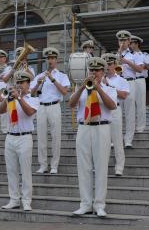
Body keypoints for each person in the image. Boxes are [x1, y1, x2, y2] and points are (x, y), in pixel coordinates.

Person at [68, 57, 117, 217]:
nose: (94, 73)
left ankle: (99, 205)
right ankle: (85, 203)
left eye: (97, 70)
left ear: (103, 73)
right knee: (84, 168)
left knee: (101, 167)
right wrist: (82, 87)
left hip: (101, 128)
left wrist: (98, 89)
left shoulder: (109, 88)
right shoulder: (81, 87)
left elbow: (112, 105)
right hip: (84, 128)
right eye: (91, 70)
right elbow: (71, 104)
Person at [0, 71, 39, 211]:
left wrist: (20, 98)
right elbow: (1, 110)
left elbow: (29, 112)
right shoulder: (11, 98)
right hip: (10, 136)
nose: (20, 85)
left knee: (25, 171)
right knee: (11, 171)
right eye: (18, 83)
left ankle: (26, 200)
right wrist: (8, 98)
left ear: (28, 84)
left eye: (22, 82)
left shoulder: (33, 99)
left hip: (25, 137)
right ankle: (14, 199)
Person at [31, 47, 70, 175]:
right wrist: (37, 84)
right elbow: (32, 94)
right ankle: (43, 165)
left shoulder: (62, 75)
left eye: (52, 58)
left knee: (55, 136)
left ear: (56, 60)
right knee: (41, 137)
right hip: (41, 107)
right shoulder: (40, 75)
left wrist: (53, 79)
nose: (50, 61)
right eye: (48, 58)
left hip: (54, 106)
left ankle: (54, 165)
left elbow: (64, 92)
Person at [102, 53, 130, 176]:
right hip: (102, 109)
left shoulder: (121, 80)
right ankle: (101, 166)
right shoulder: (98, 79)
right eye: (106, 64)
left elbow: (124, 95)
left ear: (115, 65)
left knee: (117, 139)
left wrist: (108, 85)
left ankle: (119, 167)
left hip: (115, 110)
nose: (107, 66)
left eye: (110, 64)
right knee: (102, 140)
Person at [117, 30, 144, 148]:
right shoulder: (114, 55)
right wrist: (118, 55)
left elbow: (140, 69)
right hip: (117, 83)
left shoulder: (135, 55)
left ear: (129, 41)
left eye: (124, 40)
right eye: (120, 40)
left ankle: (128, 140)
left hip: (129, 83)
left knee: (130, 113)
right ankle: (115, 139)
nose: (122, 42)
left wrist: (127, 61)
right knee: (116, 113)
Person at [131, 35, 149, 133]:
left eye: (132, 43)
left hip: (139, 79)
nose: (130, 45)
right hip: (129, 80)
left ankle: (140, 127)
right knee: (129, 104)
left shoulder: (144, 54)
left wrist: (137, 66)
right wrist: (139, 65)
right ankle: (130, 126)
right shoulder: (127, 54)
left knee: (140, 104)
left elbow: (147, 66)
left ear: (137, 43)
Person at [0, 49, 11, 134]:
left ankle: (4, 129)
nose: (0, 59)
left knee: (4, 108)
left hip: (4, 89)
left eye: (2, 57)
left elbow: (5, 79)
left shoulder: (8, 68)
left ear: (5, 59)